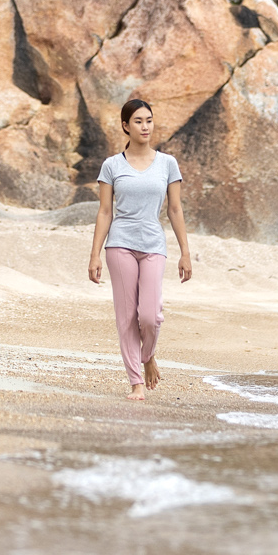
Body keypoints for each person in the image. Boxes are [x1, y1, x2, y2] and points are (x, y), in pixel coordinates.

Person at [87, 98, 192, 400]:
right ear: (125, 126)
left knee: (149, 316)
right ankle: (135, 382)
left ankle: (148, 356)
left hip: (153, 245)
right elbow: (105, 212)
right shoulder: (112, 165)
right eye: (138, 121)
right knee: (126, 316)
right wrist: (94, 254)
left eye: (148, 120)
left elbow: (174, 209)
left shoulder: (167, 163)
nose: (145, 126)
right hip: (119, 244)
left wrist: (185, 251)